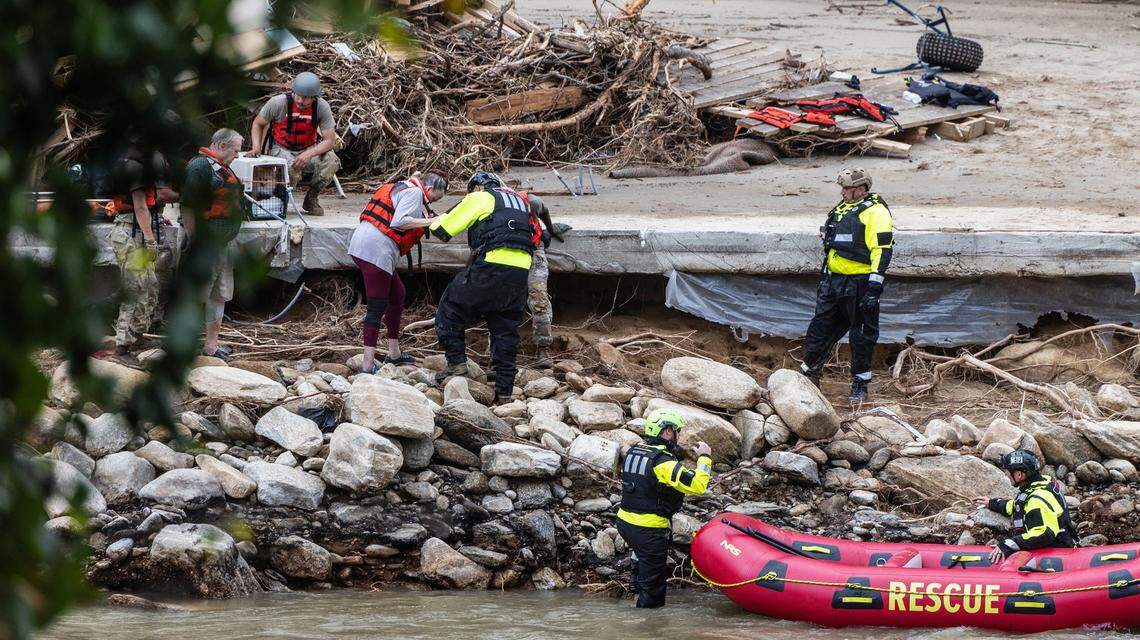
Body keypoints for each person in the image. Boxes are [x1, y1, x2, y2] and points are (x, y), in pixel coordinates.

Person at [429, 172, 541, 404]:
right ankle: (505, 391)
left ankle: (457, 364)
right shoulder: (520, 202)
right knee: (505, 328)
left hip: (492, 266)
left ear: (477, 187)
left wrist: (428, 218)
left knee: (450, 306)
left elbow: (441, 230)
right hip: (520, 272)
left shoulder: (481, 197)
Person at [799, 167, 894, 403]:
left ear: (860, 189)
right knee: (819, 329)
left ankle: (860, 385)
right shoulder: (841, 209)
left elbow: (882, 250)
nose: (842, 192)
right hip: (834, 282)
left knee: (861, 335)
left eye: (847, 188)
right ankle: (810, 375)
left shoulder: (876, 212)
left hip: (860, 284)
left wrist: (874, 287)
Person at [348, 172, 449, 373]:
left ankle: (393, 354)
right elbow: (399, 222)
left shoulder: (402, 185)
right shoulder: (414, 193)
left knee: (398, 294)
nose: (434, 201)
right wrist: (431, 222)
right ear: (428, 189)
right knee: (376, 308)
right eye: (437, 197)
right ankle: (367, 366)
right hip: (376, 251)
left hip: (363, 245)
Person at [616, 408, 713, 608]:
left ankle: (636, 583)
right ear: (667, 432)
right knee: (654, 591)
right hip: (649, 530)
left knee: (641, 559)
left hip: (625, 524)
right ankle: (647, 624)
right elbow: (698, 485)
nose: (679, 435)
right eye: (677, 431)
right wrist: (704, 458)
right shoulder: (663, 463)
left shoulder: (634, 452)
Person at [107, 133, 179, 354]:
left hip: (139, 229)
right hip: (130, 234)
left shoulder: (139, 167)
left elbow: (148, 205)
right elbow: (139, 206)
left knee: (150, 287)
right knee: (135, 287)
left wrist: (155, 220)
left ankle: (137, 335)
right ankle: (122, 342)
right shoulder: (134, 168)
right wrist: (150, 239)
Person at [180, 128, 248, 360]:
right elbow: (188, 205)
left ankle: (211, 345)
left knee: (219, 294)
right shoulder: (199, 167)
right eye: (236, 151)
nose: (238, 156)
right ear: (221, 146)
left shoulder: (222, 168)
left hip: (223, 244)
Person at [248, 72, 340, 216]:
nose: (300, 100)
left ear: (314, 97)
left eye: (305, 98)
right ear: (293, 91)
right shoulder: (278, 103)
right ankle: (281, 200)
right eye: (297, 95)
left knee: (332, 160)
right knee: (290, 167)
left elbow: (330, 140)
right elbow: (258, 124)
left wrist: (309, 154)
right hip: (281, 147)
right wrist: (256, 146)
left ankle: (311, 199)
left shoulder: (321, 107)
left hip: (308, 148)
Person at [980, 449, 1077, 564]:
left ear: (1019, 475)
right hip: (1054, 545)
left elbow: (1044, 534)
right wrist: (992, 503)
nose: (1006, 475)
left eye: (1008, 472)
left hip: (1056, 553)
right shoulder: (1041, 484)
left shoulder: (1037, 499)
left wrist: (1009, 544)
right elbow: (1019, 506)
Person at [520, 194, 571, 367]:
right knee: (499, 301)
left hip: (534, 250)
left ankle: (543, 350)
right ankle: (496, 356)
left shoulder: (527, 202)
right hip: (506, 254)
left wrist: (549, 228)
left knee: (539, 298)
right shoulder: (487, 207)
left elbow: (543, 208)